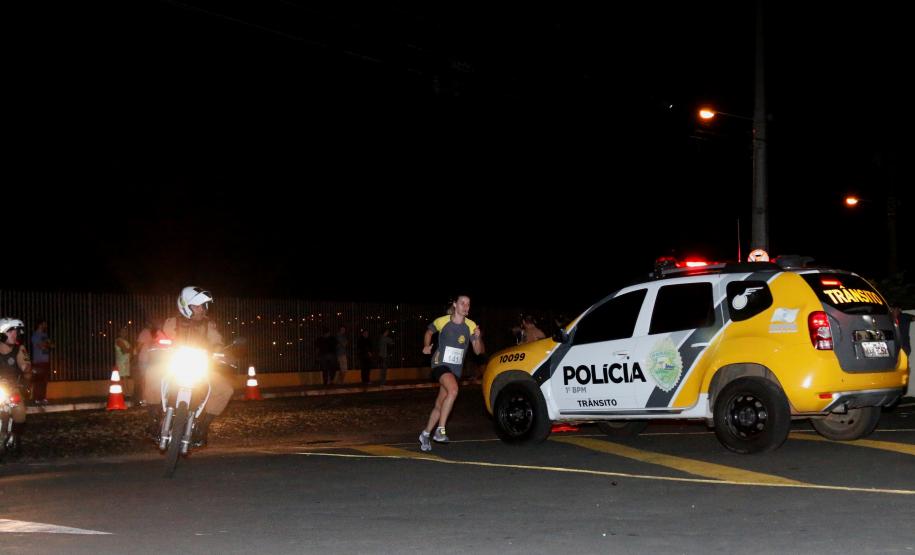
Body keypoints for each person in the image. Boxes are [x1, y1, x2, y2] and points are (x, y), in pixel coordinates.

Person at [143, 286, 232, 447]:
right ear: (185, 306)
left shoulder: (208, 325)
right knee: (151, 373)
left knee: (225, 390)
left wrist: (220, 351)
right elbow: (163, 337)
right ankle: (154, 418)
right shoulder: (172, 322)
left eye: (203, 306)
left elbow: (217, 341)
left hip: (201, 365)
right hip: (174, 362)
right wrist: (160, 344)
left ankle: (203, 426)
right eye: (197, 306)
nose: (201, 310)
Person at [418, 295, 484, 452]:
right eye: (462, 303)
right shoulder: (443, 321)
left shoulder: (471, 325)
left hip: (455, 370)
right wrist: (426, 346)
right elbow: (428, 332)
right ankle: (440, 430)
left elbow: (477, 351)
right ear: (455, 305)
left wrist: (477, 337)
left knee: (440, 404)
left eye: (468, 304)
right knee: (453, 390)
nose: (465, 306)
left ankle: (425, 433)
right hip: (439, 363)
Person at [0, 318, 31, 455]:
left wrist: (27, 370)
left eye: (16, 332)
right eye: (10, 331)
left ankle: (15, 435)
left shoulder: (20, 349)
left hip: (12, 388)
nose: (14, 334)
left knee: (20, 412)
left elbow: (25, 367)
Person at [133, 319, 161, 406]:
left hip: (144, 359)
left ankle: (145, 399)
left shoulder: (144, 333)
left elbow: (139, 346)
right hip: (154, 360)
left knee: (144, 380)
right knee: (153, 380)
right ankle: (153, 398)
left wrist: (134, 355)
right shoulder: (157, 333)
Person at [29, 319, 54, 405]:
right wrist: (46, 345)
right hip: (38, 361)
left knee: (44, 380)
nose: (46, 326)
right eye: (44, 324)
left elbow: (51, 345)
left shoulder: (45, 335)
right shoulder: (35, 335)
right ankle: (37, 398)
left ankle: (43, 397)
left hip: (46, 360)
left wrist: (46, 345)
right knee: (38, 380)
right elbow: (40, 346)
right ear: (40, 325)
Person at [114, 325, 132, 399]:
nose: (124, 333)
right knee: (122, 377)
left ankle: (125, 392)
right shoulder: (118, 340)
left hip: (126, 361)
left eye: (125, 332)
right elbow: (125, 351)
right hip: (121, 362)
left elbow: (129, 350)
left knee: (125, 377)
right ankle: (125, 393)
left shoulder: (125, 341)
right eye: (123, 332)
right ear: (119, 333)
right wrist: (130, 350)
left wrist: (129, 350)